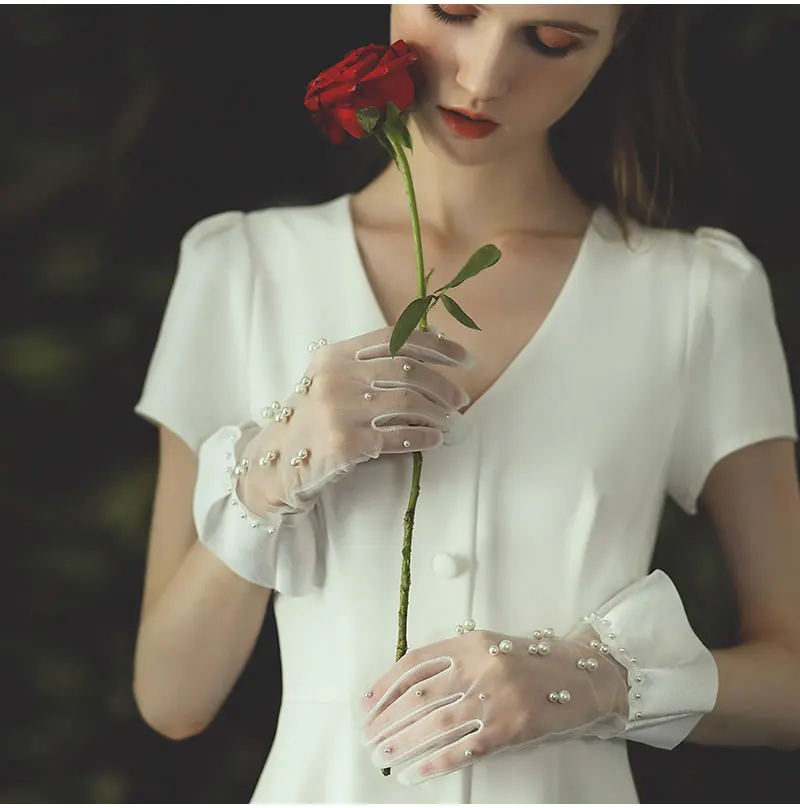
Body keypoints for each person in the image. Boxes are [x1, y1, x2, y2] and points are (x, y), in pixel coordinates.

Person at [132, 5, 800, 803]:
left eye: (551, 40)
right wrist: (279, 465)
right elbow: (170, 699)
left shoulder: (696, 294)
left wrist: (596, 683)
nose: (483, 77)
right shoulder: (242, 269)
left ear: (618, 39)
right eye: (454, 10)